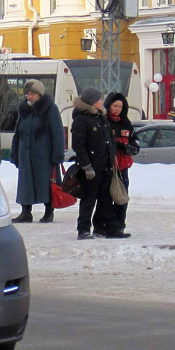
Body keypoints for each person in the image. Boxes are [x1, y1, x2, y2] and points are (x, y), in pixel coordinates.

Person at [71, 86, 130, 240]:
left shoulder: (101, 117)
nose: (102, 102)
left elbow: (108, 141)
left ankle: (108, 229)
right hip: (91, 167)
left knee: (105, 199)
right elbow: (78, 145)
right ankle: (83, 229)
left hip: (105, 166)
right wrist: (86, 166)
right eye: (100, 99)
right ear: (92, 102)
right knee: (89, 199)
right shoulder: (81, 120)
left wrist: (112, 160)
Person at [9, 79, 65, 223]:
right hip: (25, 154)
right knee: (26, 183)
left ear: (40, 94)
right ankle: (26, 212)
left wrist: (57, 155)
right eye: (28, 93)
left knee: (46, 182)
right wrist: (15, 153)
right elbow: (18, 133)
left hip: (44, 155)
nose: (30, 96)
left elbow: (57, 132)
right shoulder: (24, 110)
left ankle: (49, 211)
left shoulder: (50, 109)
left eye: (33, 93)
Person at [105, 92, 139, 235]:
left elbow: (135, 142)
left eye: (120, 106)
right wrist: (118, 145)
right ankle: (108, 226)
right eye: (115, 106)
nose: (117, 109)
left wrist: (131, 148)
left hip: (123, 166)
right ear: (109, 106)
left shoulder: (126, 123)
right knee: (106, 198)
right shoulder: (105, 122)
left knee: (122, 197)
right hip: (108, 167)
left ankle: (120, 225)